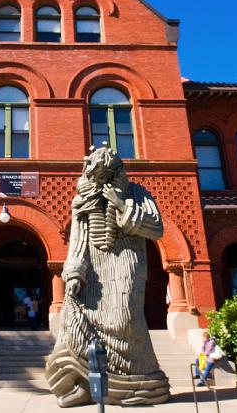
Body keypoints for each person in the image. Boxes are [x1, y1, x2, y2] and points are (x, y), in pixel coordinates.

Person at [45, 144, 169, 406]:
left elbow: (156, 229)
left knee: (125, 317)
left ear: (115, 173)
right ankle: (80, 382)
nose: (100, 180)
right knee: (73, 320)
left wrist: (121, 205)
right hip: (92, 268)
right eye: (96, 175)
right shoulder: (82, 199)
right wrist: (75, 272)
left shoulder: (136, 192)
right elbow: (78, 239)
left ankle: (139, 384)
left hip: (126, 263)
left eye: (105, 175)